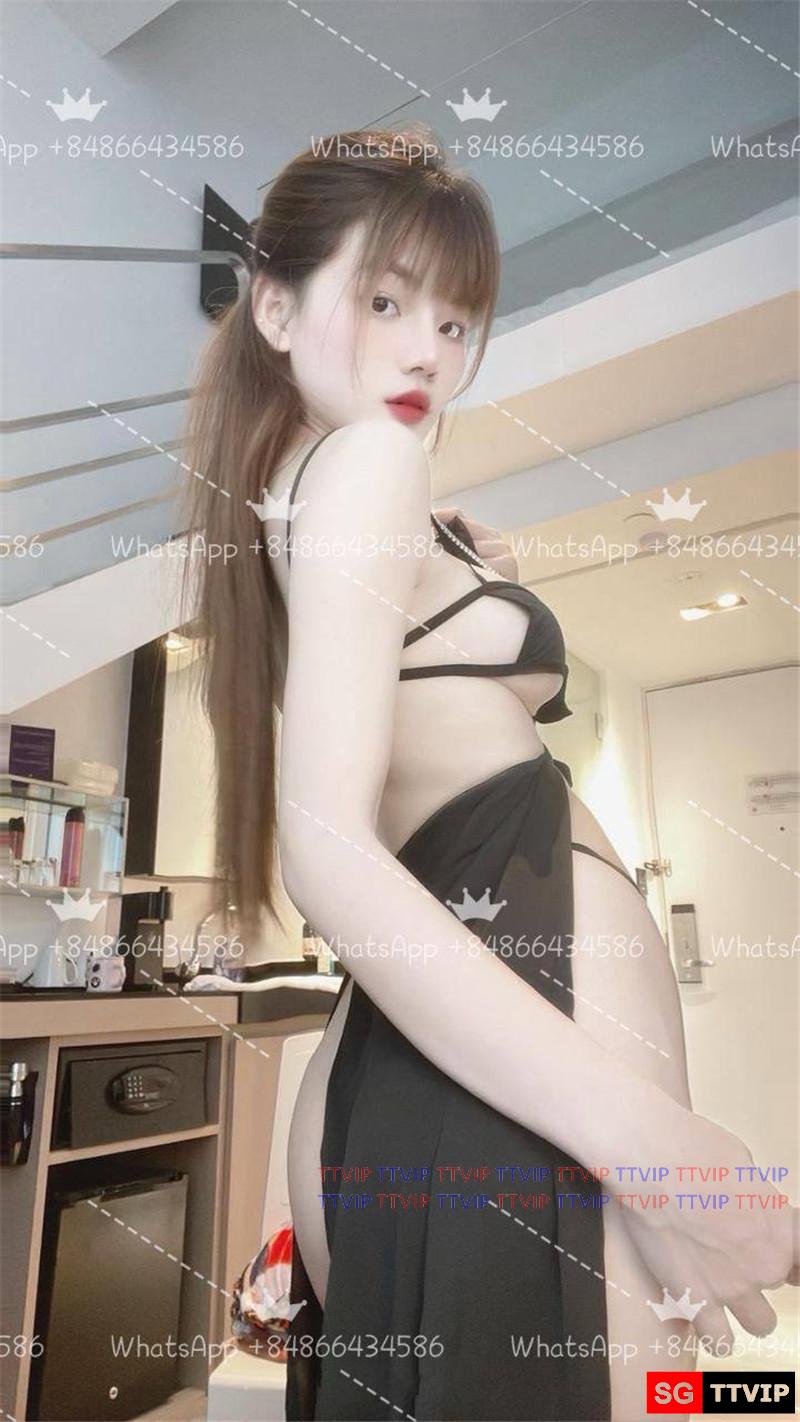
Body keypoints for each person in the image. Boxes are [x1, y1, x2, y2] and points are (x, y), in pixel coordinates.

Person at [180, 124, 798, 1421]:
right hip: (500, 1082)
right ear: (275, 308)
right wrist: (656, 1149)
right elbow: (326, 852)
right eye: (386, 302)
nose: (428, 350)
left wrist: (464, 580)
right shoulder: (366, 465)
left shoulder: (301, 495)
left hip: (440, 1075)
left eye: (457, 321)